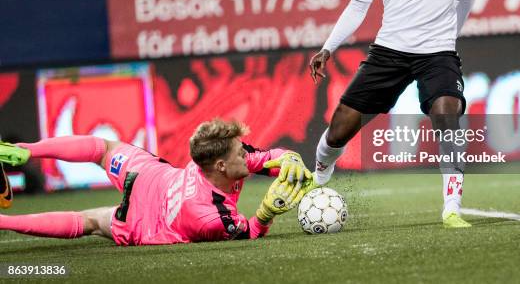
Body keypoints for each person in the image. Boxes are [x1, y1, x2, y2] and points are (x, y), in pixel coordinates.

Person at [309, 0, 477, 228]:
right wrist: (328, 47)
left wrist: (450, 34)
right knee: (339, 129)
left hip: (437, 53)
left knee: (447, 116)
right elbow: (358, 5)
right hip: (389, 52)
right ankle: (319, 177)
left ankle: (452, 207)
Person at [0, 119, 314, 245]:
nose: (247, 156)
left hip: (149, 176)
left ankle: (27, 150)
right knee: (91, 221)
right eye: (240, 154)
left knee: (103, 148)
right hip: (145, 221)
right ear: (220, 165)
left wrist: (290, 158)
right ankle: (3, 221)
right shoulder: (210, 217)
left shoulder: (224, 161)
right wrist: (266, 213)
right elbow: (249, 233)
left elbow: (270, 156)